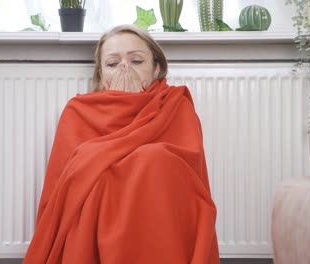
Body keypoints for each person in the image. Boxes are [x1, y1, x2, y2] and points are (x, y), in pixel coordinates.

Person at [23, 24, 219, 264]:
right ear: (101, 75)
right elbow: (65, 185)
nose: (125, 68)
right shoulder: (79, 111)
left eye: (136, 61)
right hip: (99, 214)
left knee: (157, 159)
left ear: (157, 68)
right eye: (113, 64)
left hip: (159, 217)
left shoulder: (175, 104)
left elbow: (186, 173)